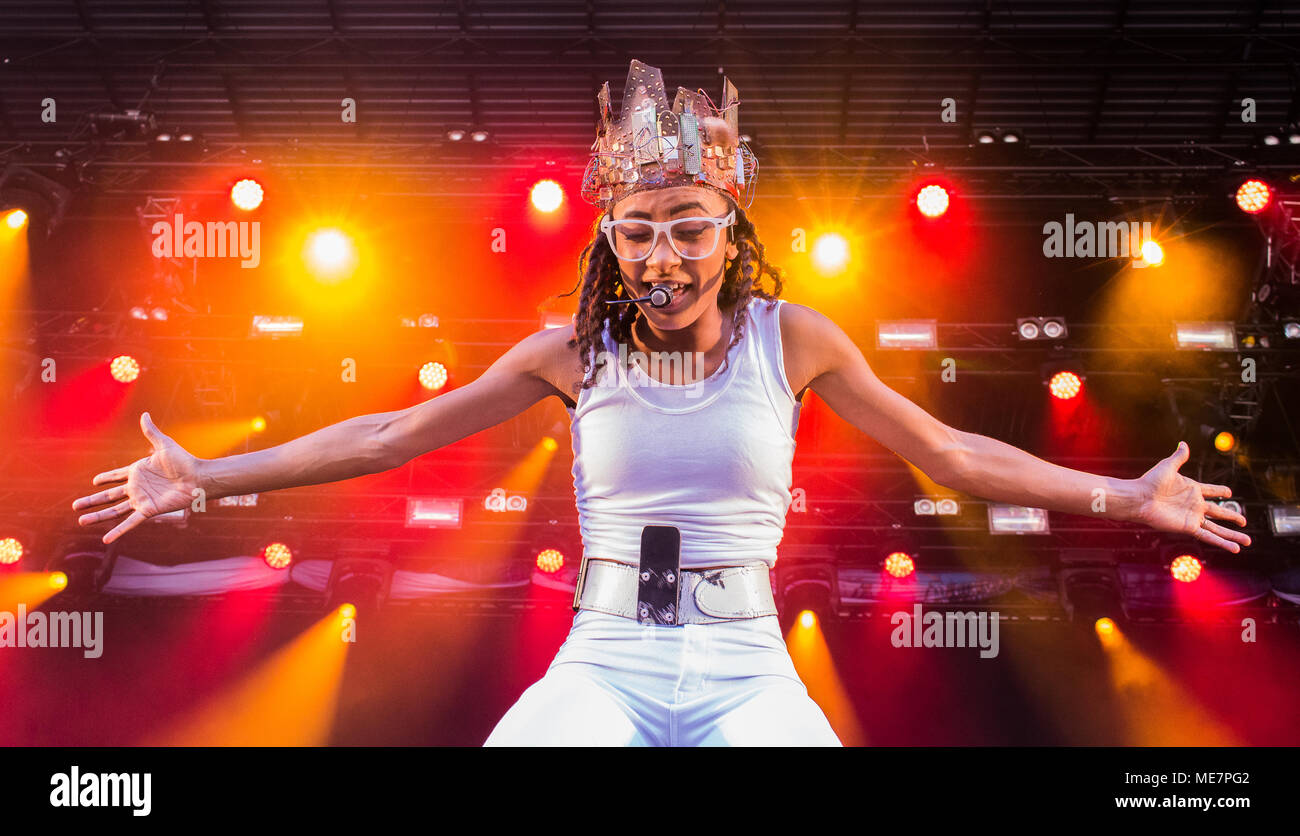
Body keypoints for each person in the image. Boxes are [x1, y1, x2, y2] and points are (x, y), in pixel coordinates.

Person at [72, 60, 1251, 747]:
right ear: (610, 242)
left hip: (747, 664)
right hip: (607, 658)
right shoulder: (567, 354)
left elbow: (949, 450)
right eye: (636, 230)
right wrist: (208, 475)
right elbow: (382, 434)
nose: (662, 253)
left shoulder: (794, 340)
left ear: (731, 235)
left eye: (689, 226)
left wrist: (1126, 493)